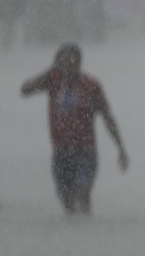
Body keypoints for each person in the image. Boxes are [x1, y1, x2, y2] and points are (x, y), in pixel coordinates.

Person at [21, 42, 128, 214]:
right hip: (61, 153)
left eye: (73, 60)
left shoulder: (91, 86)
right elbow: (25, 90)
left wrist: (121, 148)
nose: (69, 65)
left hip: (85, 152)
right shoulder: (53, 81)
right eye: (64, 61)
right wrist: (50, 69)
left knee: (82, 192)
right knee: (67, 202)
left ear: (80, 62)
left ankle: (87, 233)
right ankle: (74, 236)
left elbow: (108, 118)